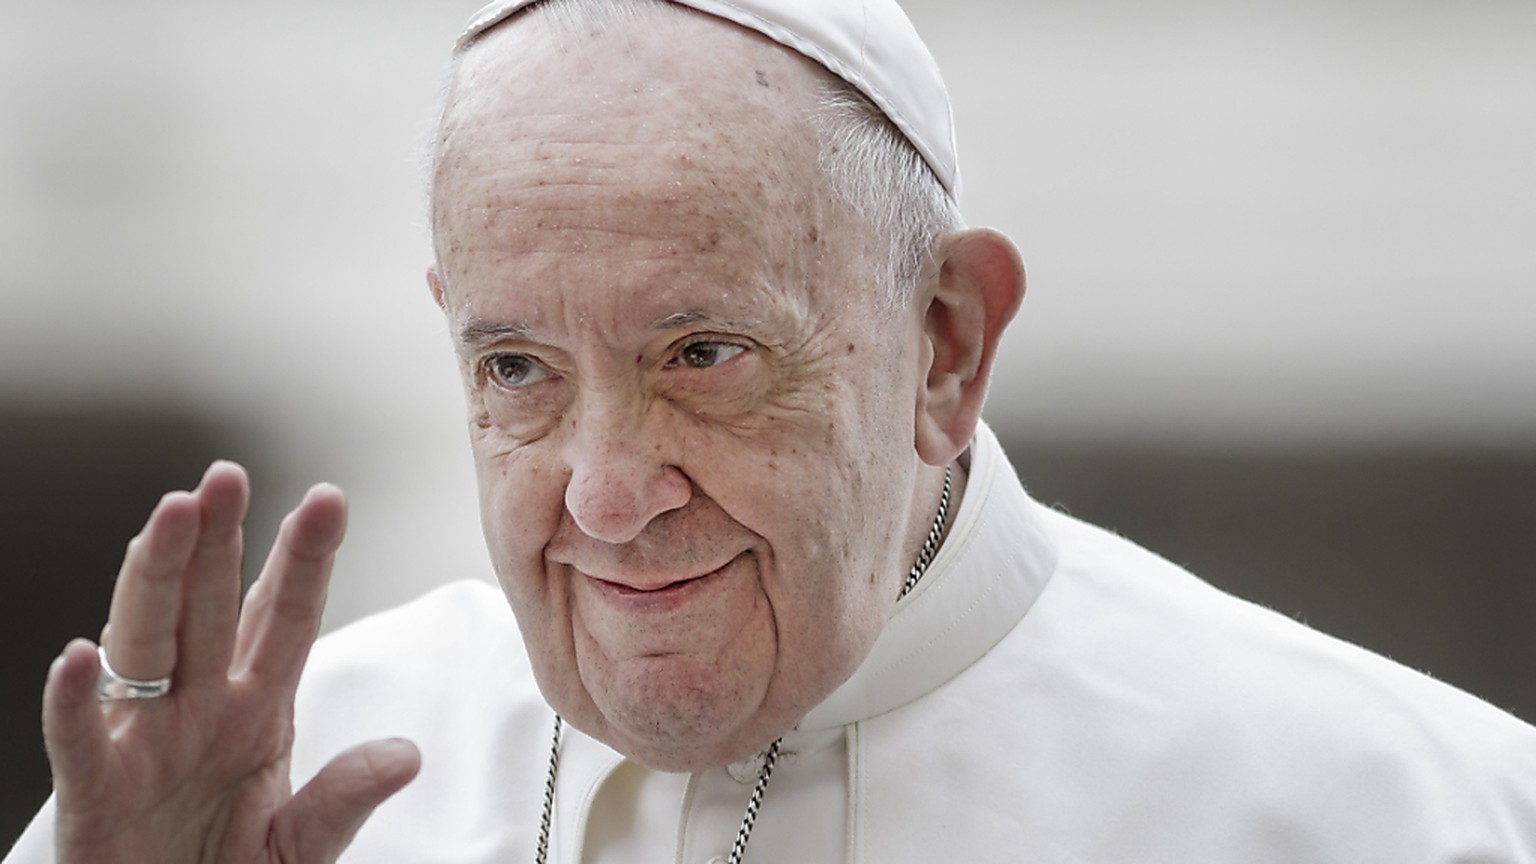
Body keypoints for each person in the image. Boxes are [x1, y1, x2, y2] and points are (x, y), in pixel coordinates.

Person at [7, 0, 1536, 861]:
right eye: (521, 369)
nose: (604, 498)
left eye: (702, 353)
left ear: (945, 346)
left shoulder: (1395, 812)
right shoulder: (281, 782)